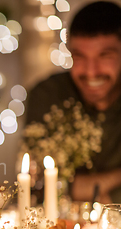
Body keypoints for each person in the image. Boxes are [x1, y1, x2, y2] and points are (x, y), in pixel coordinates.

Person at [26, 1, 121, 203]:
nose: (91, 71)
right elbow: (38, 186)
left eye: (105, 56)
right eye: (80, 57)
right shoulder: (47, 96)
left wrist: (82, 188)